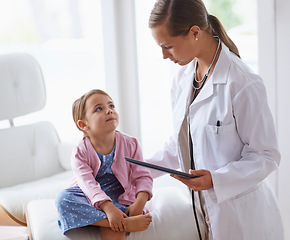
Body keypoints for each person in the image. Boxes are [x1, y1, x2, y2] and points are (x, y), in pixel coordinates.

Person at [147, 0, 284, 239]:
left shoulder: (242, 82)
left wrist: (216, 180)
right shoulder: (182, 80)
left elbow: (267, 156)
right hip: (206, 216)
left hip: (245, 220)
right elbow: (182, 142)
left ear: (195, 32)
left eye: (168, 46)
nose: (163, 55)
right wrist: (137, 168)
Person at [55, 89, 153, 240]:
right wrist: (108, 208)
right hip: (90, 197)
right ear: (83, 125)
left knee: (115, 230)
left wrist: (139, 204)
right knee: (62, 198)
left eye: (111, 106)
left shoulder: (131, 143)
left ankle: (116, 220)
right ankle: (124, 223)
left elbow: (143, 176)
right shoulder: (80, 152)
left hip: (121, 197)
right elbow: (87, 184)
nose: (109, 111)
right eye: (99, 109)